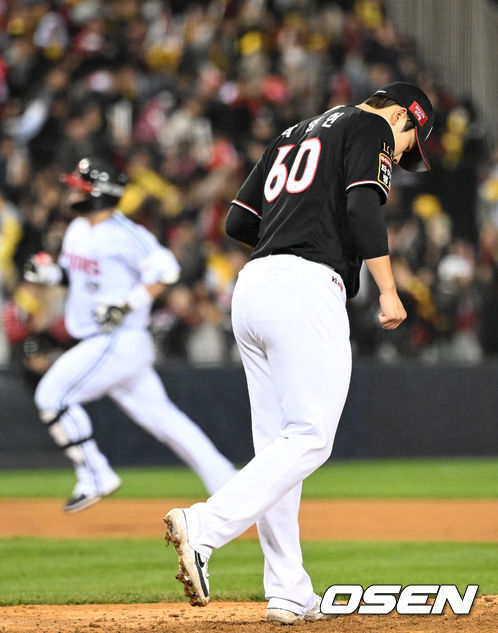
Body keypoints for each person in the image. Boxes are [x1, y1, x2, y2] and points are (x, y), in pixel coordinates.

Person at [164, 82, 434, 622]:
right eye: (411, 141)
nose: (404, 153)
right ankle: (206, 526)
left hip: (255, 286)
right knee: (311, 437)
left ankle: (288, 590)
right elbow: (362, 205)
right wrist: (387, 288)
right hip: (306, 289)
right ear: (405, 115)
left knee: (279, 450)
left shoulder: (291, 133)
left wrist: (292, 231)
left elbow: (238, 222)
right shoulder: (372, 126)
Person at [26, 157, 236, 513]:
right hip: (105, 341)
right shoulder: (78, 229)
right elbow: (76, 278)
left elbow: (166, 271)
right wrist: (51, 275)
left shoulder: (126, 234)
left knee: (52, 395)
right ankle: (230, 485)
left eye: (80, 188)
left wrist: (126, 305)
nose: (71, 193)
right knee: (168, 422)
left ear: (99, 194)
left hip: (117, 338)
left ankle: (95, 474)